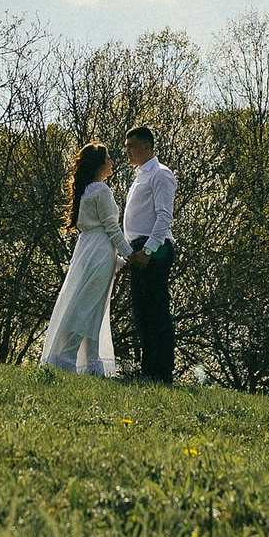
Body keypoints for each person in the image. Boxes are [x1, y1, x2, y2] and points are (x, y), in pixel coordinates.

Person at [39, 142, 125, 376]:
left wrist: (118, 260)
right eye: (108, 158)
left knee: (91, 306)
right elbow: (111, 227)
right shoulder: (101, 191)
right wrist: (130, 254)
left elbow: (99, 228)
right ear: (100, 164)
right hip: (99, 251)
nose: (112, 162)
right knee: (89, 308)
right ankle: (68, 358)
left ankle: (91, 362)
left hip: (89, 250)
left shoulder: (87, 191)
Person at [119, 125, 177, 383]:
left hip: (155, 248)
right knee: (142, 313)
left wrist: (148, 250)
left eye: (131, 146)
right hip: (138, 248)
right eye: (126, 147)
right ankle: (148, 370)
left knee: (156, 311)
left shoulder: (160, 174)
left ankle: (162, 372)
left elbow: (164, 216)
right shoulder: (140, 176)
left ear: (146, 146)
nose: (127, 151)